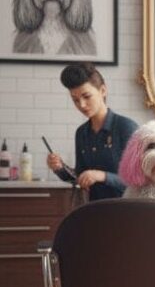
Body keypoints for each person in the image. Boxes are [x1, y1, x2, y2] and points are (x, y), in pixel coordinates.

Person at [46, 62, 138, 201]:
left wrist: (102, 176)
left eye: (87, 96)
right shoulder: (81, 133)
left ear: (103, 90)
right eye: (75, 100)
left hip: (127, 210)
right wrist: (60, 168)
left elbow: (139, 180)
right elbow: (80, 177)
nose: (81, 105)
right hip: (93, 210)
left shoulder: (126, 127)